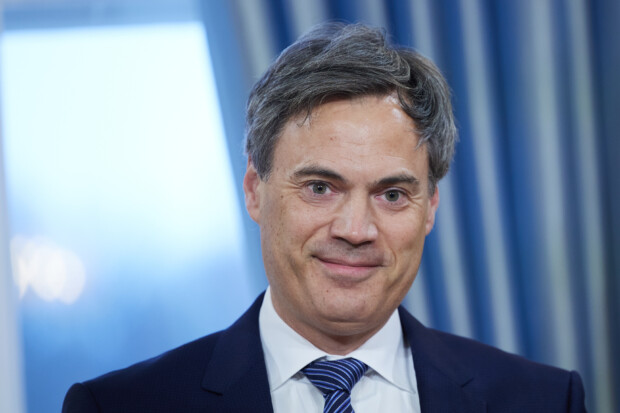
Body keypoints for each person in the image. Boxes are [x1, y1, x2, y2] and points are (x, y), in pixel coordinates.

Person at [62, 22, 587, 413]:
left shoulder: (543, 400)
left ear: (430, 208)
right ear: (254, 191)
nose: (355, 231)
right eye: (320, 188)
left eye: (392, 194)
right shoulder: (120, 406)